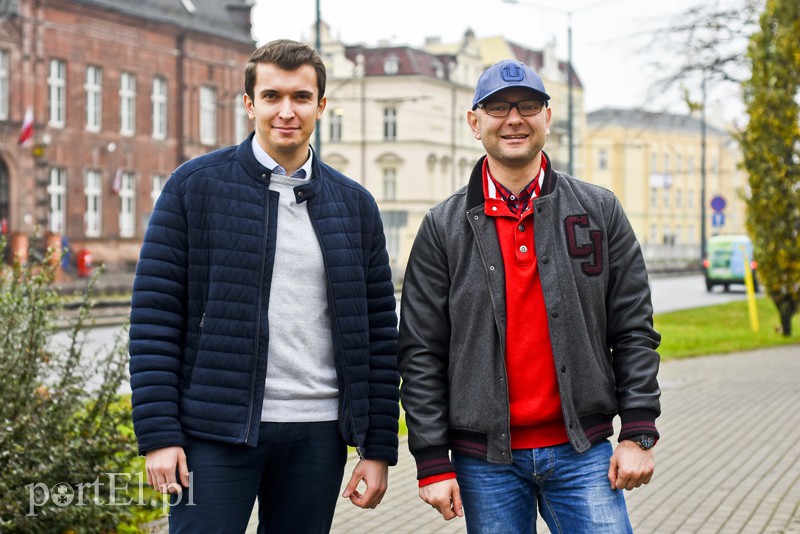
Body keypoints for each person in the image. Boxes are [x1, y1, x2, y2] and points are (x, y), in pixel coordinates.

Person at [129, 39, 400, 533]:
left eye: (301, 97)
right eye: (272, 97)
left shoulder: (355, 206)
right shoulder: (195, 187)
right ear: (250, 104)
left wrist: (378, 446)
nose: (286, 111)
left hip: (318, 436)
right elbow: (154, 318)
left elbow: (380, 336)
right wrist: (159, 434)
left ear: (321, 105)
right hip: (214, 432)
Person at [397, 59, 661, 533]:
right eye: (497, 107)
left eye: (528, 106)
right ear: (474, 123)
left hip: (584, 452)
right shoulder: (443, 227)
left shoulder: (599, 211)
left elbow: (634, 327)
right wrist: (433, 459)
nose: (513, 118)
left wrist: (638, 431)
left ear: (547, 116)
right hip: (485, 463)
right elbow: (420, 351)